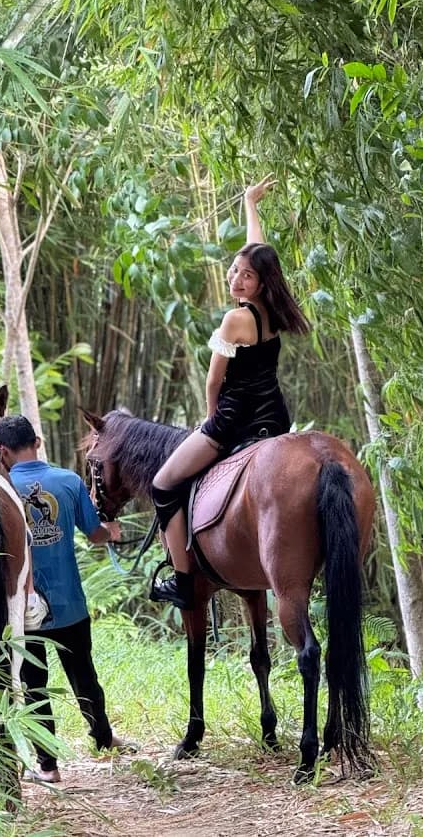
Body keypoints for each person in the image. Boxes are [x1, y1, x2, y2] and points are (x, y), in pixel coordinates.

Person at [149, 176, 311, 610]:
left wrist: (210, 423)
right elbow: (257, 251)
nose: (236, 278)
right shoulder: (274, 307)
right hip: (275, 417)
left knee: (162, 484)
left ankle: (183, 581)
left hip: (234, 417)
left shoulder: (233, 321)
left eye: (246, 275)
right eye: (235, 271)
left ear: (261, 281)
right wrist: (249, 206)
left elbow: (213, 381)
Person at [0, 414, 127, 784]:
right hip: (70, 602)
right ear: (38, 440)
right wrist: (113, 532)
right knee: (84, 674)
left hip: (25, 607)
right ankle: (103, 736)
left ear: (2, 451)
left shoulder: (0, 490)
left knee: (35, 685)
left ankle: (48, 766)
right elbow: (95, 534)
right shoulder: (68, 481)